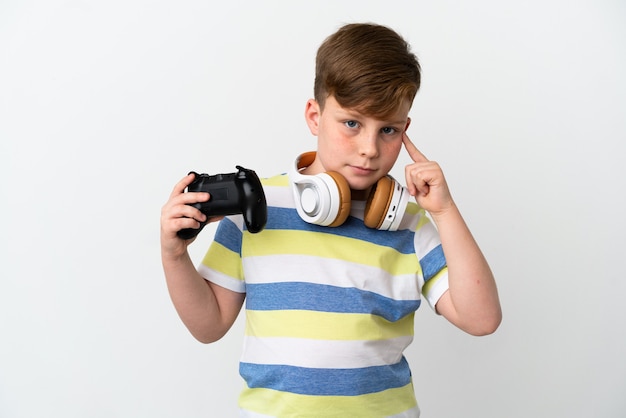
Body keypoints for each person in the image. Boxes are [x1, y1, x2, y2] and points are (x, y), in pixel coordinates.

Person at [160, 22, 501, 417]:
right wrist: (174, 256)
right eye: (352, 123)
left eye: (387, 130)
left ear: (405, 130)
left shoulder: (410, 224)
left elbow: (482, 319)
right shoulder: (257, 206)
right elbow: (209, 325)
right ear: (314, 115)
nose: (369, 150)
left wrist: (444, 211)